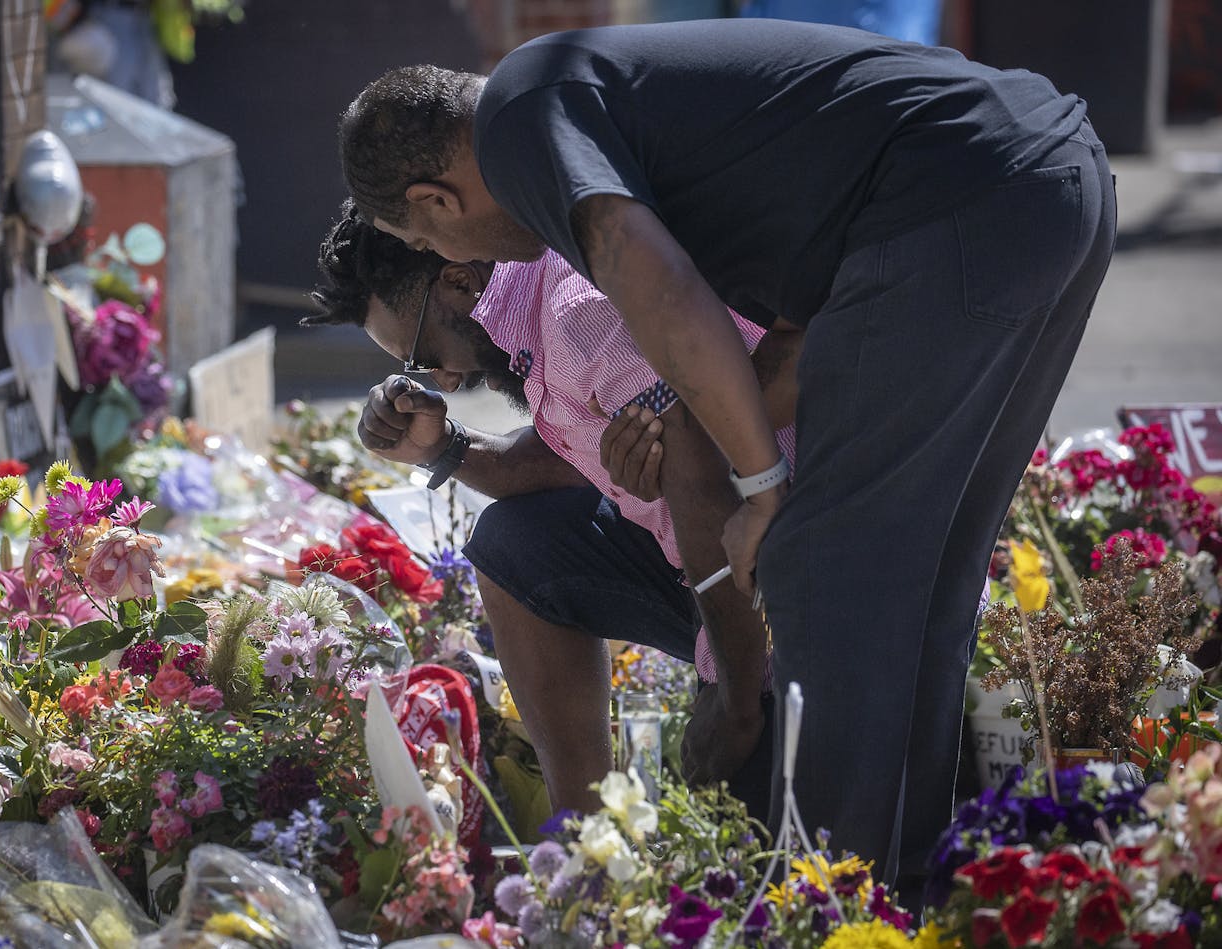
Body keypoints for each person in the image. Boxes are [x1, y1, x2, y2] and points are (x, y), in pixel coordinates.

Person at [338, 19, 1117, 893]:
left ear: (437, 203)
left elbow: (660, 291)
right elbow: (768, 347)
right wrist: (704, 444)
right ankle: (899, 892)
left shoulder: (522, 122)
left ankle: (834, 906)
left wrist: (758, 491)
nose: (456, 262)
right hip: (1050, 176)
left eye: (430, 243)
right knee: (919, 582)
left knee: (830, 576)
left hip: (963, 198)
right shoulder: (600, 116)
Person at [305, 201, 799, 815]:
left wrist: (736, 706)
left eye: (424, 356)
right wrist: (445, 447)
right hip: (730, 560)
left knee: (769, 842)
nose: (447, 384)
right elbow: (568, 460)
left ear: (458, 281)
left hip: (795, 570)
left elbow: (708, 500)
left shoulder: (579, 316)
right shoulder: (535, 313)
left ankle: (751, 709)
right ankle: (583, 835)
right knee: (514, 542)